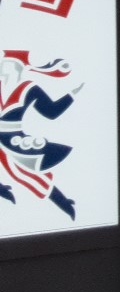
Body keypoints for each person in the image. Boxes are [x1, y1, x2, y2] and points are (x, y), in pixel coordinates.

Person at [0, 50, 83, 220]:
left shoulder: (29, 88)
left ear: (17, 68)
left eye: (6, 64)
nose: (2, 67)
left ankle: (64, 203)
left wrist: (71, 95)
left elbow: (51, 112)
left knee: (24, 175)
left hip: (13, 138)